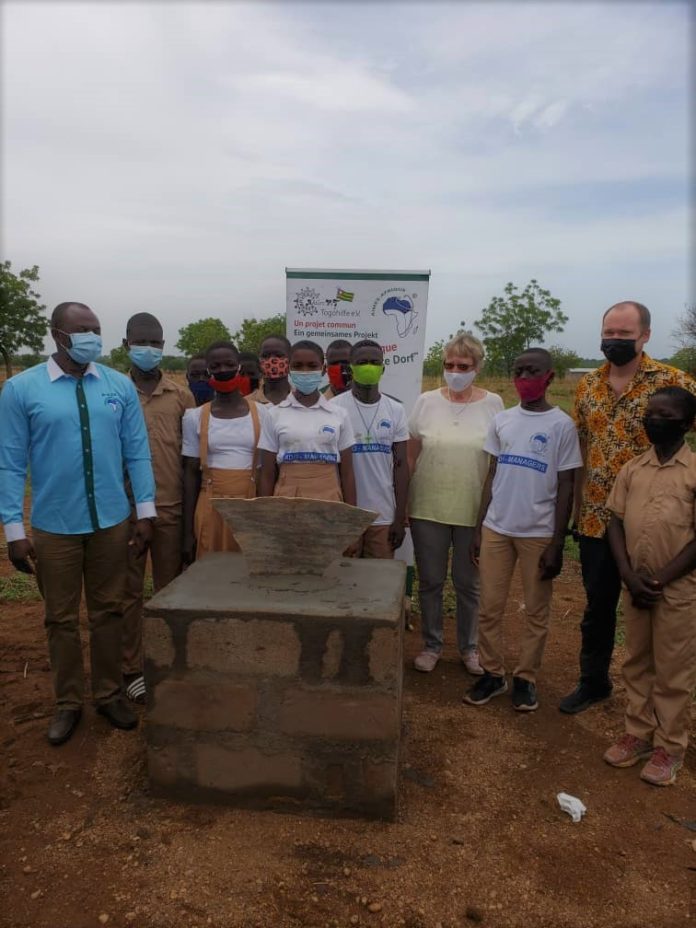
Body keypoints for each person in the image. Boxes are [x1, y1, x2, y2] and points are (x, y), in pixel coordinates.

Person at [0, 302, 156, 745]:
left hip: (111, 522)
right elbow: (9, 464)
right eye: (82, 329)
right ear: (58, 335)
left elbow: (137, 453)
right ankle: (68, 702)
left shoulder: (118, 386)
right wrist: (14, 530)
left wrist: (145, 512)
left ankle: (109, 695)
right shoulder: (21, 390)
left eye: (96, 328)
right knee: (60, 619)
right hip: (54, 525)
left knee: (109, 609)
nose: (91, 336)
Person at [560, 301, 696, 714]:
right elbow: (583, 446)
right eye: (609, 333)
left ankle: (662, 705)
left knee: (657, 609)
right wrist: (579, 507)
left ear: (645, 336)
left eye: (624, 334)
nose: (614, 341)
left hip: (658, 524)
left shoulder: (675, 382)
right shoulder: (588, 386)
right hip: (599, 518)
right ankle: (594, 681)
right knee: (597, 606)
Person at [464, 348, 582, 711]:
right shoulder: (503, 420)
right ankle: (493, 673)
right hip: (497, 528)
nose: (524, 378)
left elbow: (566, 485)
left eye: (532, 371)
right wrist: (480, 525)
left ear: (549, 376)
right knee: (489, 607)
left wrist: (557, 543)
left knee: (536, 610)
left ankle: (526, 678)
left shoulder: (562, 425)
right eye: (518, 370)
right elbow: (492, 474)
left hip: (539, 533)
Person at [603, 387, 696, 786]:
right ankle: (638, 733)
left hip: (675, 589)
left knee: (674, 670)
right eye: (651, 413)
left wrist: (659, 579)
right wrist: (628, 574)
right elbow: (615, 522)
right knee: (636, 662)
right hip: (635, 584)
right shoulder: (632, 469)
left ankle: (669, 746)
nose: (655, 420)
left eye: (666, 415)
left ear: (688, 424)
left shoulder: (693, 472)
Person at [407, 334, 504, 674]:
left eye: (463, 366)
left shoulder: (493, 404)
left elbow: (496, 460)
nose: (455, 371)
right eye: (449, 365)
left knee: (468, 583)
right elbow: (411, 451)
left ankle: (470, 648)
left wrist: (489, 511)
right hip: (427, 505)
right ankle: (431, 645)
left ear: (477, 368)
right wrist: (405, 499)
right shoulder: (426, 402)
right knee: (431, 580)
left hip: (472, 509)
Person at [120, 313, 194, 704]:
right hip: (125, 512)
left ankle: (166, 663)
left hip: (171, 508)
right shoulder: (113, 392)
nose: (149, 349)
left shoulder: (181, 396)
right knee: (128, 592)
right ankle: (132, 667)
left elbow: (190, 461)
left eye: (157, 343)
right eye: (141, 342)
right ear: (126, 344)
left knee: (168, 592)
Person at [182, 341, 266, 562]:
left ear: (239, 366)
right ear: (208, 370)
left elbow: (268, 469)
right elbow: (191, 472)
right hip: (210, 504)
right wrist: (186, 532)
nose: (223, 371)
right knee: (209, 571)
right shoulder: (195, 417)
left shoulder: (264, 414)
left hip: (250, 504)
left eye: (229, 364)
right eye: (215, 366)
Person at [331, 339, 409, 557]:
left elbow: (401, 467)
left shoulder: (396, 410)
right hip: (346, 516)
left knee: (378, 585)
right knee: (343, 581)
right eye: (362, 362)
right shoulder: (334, 409)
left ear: (382, 368)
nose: (369, 367)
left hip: (382, 516)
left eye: (374, 362)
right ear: (351, 368)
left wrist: (400, 517)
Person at [258, 339, 356, 503]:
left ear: (323, 370)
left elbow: (347, 473)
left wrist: (352, 521)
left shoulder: (339, 414)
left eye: (312, 366)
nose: (305, 371)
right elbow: (267, 473)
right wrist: (265, 518)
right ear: (289, 368)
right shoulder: (274, 414)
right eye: (298, 366)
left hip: (330, 497)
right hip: (286, 497)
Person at [249, 334, 292, 405]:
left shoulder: (302, 400)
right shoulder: (247, 403)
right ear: (259, 361)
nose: (272, 360)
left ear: (290, 359)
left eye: (279, 355)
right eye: (265, 356)